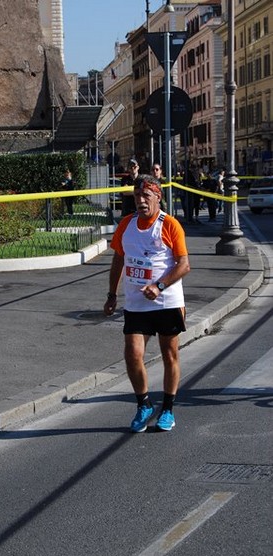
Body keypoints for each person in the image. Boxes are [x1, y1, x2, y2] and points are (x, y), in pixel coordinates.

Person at [103, 175, 190, 433]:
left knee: (169, 355)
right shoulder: (126, 225)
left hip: (167, 301)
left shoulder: (170, 224)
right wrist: (111, 294)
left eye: (146, 196)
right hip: (136, 303)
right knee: (132, 354)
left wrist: (159, 286)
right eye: (137, 196)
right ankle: (144, 404)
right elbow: (119, 258)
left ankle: (168, 409)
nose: (141, 201)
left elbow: (184, 265)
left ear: (157, 197)